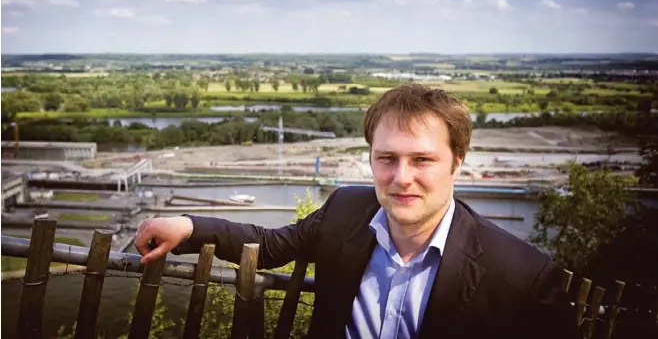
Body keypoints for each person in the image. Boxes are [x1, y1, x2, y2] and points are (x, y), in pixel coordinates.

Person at [135, 83, 580, 339]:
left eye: (422, 159)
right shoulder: (346, 210)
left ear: (456, 162)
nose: (401, 177)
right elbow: (270, 246)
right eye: (386, 158)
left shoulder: (523, 277)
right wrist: (189, 226)